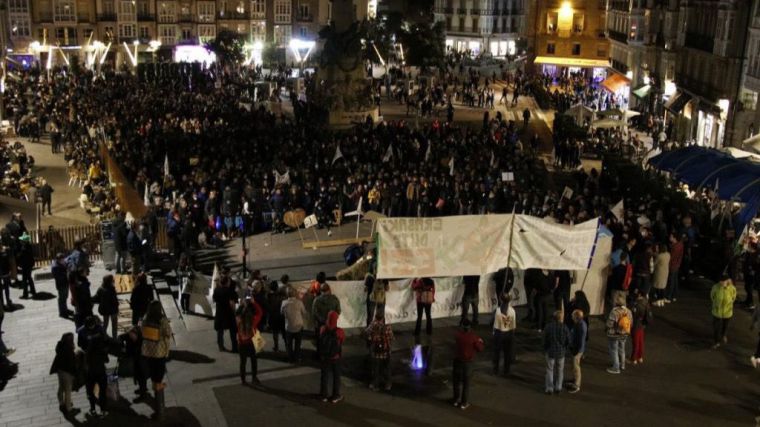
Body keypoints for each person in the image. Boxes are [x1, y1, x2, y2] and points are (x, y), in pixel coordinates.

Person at [140, 300, 172, 420]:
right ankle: (160, 410)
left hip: (148, 353)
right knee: (159, 379)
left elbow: (142, 330)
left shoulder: (146, 318)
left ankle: (158, 405)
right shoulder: (162, 320)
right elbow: (168, 333)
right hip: (160, 353)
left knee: (154, 378)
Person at [77, 316, 109, 416]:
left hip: (91, 370)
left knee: (92, 391)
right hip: (98, 370)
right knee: (100, 391)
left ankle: (94, 409)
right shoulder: (83, 331)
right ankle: (101, 410)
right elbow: (80, 343)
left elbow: (105, 339)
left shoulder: (98, 328)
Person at [452, 319, 484, 409]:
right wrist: (480, 341)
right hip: (468, 363)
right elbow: (480, 348)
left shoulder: (457, 335)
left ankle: (455, 400)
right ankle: (464, 403)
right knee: (466, 384)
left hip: (457, 361)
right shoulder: (473, 337)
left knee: (456, 382)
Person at [50, 332, 79, 416]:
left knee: (61, 387)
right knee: (68, 390)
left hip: (60, 370)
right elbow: (71, 363)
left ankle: (61, 403)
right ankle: (69, 408)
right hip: (67, 372)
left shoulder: (60, 345)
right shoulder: (68, 349)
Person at [319, 310, 345, 403]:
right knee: (336, 376)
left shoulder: (322, 329)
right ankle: (335, 395)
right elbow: (341, 341)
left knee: (324, 375)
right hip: (335, 357)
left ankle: (323, 395)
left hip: (325, 357)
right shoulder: (340, 331)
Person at [236, 298, 263, 385]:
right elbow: (260, 312)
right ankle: (254, 378)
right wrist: (254, 303)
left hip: (242, 344)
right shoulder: (254, 320)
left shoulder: (238, 320)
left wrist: (241, 305)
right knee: (253, 361)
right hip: (252, 344)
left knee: (242, 362)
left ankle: (243, 380)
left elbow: (236, 313)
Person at [543, 310, 570, 394]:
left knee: (549, 370)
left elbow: (544, 339)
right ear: (561, 318)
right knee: (560, 370)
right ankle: (558, 387)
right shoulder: (565, 327)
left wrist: (545, 348)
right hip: (561, 353)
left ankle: (549, 388)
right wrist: (565, 348)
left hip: (550, 352)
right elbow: (568, 341)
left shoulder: (548, 327)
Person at [365, 312, 394, 391]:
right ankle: (388, 384)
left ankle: (375, 384)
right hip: (386, 352)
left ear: (376, 318)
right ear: (383, 318)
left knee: (375, 368)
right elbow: (391, 338)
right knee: (387, 368)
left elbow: (366, 333)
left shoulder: (373, 325)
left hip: (376, 352)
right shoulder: (387, 327)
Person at [119, 326, 148, 400]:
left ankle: (143, 393)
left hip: (141, 359)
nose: (131, 338)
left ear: (137, 334)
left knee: (141, 376)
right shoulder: (128, 336)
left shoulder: (141, 341)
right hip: (135, 359)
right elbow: (120, 337)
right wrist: (122, 346)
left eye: (133, 336)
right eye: (130, 336)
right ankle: (142, 388)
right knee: (138, 375)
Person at [605, 294, 632, 374]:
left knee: (614, 350)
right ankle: (622, 365)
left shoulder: (614, 311)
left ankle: (616, 368)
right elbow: (631, 322)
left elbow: (609, 324)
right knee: (622, 349)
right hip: (624, 334)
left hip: (614, 334)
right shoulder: (628, 311)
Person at [312, 283, 341, 357]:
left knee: (320, 340)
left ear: (320, 290)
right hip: (332, 324)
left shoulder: (317, 300)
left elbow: (314, 313)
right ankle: (332, 354)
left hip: (320, 324)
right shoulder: (334, 299)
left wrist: (323, 320)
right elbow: (338, 311)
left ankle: (320, 355)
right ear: (329, 289)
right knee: (332, 340)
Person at [281, 286, 308, 362]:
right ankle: (297, 357)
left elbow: (281, 312)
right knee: (297, 343)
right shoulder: (299, 302)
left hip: (288, 326)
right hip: (298, 326)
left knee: (289, 344)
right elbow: (304, 312)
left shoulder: (284, 303)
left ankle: (290, 357)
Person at [710, 274, 736, 349]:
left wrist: (729, 303)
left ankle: (723, 335)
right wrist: (716, 303)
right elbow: (712, 296)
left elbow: (733, 297)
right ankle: (716, 342)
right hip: (717, 311)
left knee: (725, 326)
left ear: (728, 280)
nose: (721, 282)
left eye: (723, 281)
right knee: (716, 328)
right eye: (721, 281)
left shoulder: (732, 288)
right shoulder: (716, 287)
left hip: (727, 312)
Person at [213, 276, 239, 352]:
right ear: (227, 282)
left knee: (220, 331)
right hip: (229, 313)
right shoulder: (231, 291)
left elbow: (214, 299)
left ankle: (221, 346)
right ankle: (234, 347)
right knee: (233, 331)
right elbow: (233, 302)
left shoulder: (216, 290)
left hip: (220, 313)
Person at [492, 296, 516, 376]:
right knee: (507, 353)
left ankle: (496, 370)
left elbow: (495, 325)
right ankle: (506, 370)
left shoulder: (498, 310)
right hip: (508, 334)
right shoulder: (512, 311)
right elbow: (513, 325)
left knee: (497, 353)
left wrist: (494, 333)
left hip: (499, 333)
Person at [568, 309, 587, 393]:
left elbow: (580, 340)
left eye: (573, 316)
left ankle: (577, 385)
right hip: (578, 349)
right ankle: (575, 380)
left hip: (577, 350)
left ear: (576, 317)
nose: (571, 317)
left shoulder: (580, 326)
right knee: (575, 366)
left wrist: (577, 351)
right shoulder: (580, 324)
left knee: (576, 367)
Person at [631, 291, 652, 364]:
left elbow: (633, 315)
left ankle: (634, 358)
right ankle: (640, 357)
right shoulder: (646, 302)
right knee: (641, 341)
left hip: (636, 324)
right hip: (642, 324)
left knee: (635, 342)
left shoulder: (636, 304)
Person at [267, 281, 286, 352]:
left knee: (275, 333)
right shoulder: (281, 295)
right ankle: (287, 346)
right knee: (284, 333)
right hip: (281, 316)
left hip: (273, 316)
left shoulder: (269, 296)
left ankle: (276, 347)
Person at [665, 232, 685, 303]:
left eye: (671, 236)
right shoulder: (680, 244)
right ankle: (674, 295)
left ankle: (669, 296)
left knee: (671, 281)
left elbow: (672, 257)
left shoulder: (675, 246)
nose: (669, 237)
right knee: (675, 281)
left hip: (672, 265)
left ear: (674, 238)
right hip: (677, 265)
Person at [51, 253, 71, 318]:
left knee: (65, 298)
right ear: (58, 259)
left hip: (65, 283)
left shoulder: (61, 263)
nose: (63, 261)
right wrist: (66, 274)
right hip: (61, 284)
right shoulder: (55, 267)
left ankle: (65, 309)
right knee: (62, 299)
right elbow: (58, 276)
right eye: (62, 259)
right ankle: (62, 313)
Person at [17, 233, 35, 299]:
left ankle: (25, 294)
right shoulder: (29, 246)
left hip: (25, 265)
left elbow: (21, 256)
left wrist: (18, 256)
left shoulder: (24, 248)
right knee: (29, 278)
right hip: (29, 264)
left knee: (24, 280)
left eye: (22, 240)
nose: (20, 241)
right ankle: (33, 291)